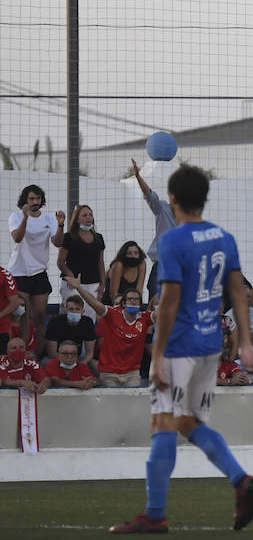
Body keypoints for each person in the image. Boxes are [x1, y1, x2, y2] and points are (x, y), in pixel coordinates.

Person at [109, 164, 253, 536]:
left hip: (179, 345)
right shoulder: (224, 238)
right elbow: (239, 293)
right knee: (189, 421)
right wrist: (244, 342)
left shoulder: (173, 241)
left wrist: (158, 355)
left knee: (162, 420)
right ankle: (241, 480)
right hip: (211, 343)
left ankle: (156, 514)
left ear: (173, 199)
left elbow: (170, 302)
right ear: (204, 198)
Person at [63, 278, 153, 387]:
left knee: (133, 404)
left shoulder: (145, 318)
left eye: (137, 299)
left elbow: (163, 311)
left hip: (132, 374)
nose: (133, 301)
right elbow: (93, 302)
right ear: (123, 303)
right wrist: (79, 288)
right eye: (130, 299)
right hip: (109, 373)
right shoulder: (113, 314)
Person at [8, 184, 64, 342]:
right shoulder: (16, 217)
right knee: (23, 316)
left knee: (39, 315)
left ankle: (39, 353)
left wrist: (60, 225)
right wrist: (25, 217)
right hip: (19, 272)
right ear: (25, 200)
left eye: (37, 198)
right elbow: (17, 238)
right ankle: (22, 350)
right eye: (31, 198)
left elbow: (58, 242)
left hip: (39, 272)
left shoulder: (48, 219)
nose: (35, 201)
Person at [130, 158, 178, 295]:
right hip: (161, 265)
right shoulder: (162, 208)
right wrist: (138, 177)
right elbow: (149, 195)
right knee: (155, 302)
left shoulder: (189, 219)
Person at [57, 204, 105, 317]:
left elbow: (100, 262)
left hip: (92, 283)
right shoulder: (69, 237)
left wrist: (102, 283)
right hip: (73, 284)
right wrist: (71, 276)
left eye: (90, 215)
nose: (88, 217)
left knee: (89, 316)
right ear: (77, 219)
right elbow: (60, 261)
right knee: (71, 314)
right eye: (84, 215)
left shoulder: (99, 238)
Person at [44, 295, 97, 369]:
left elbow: (90, 352)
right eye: (71, 309)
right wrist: (69, 364)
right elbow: (51, 353)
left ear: (83, 311)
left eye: (77, 309)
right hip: (57, 358)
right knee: (45, 363)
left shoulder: (87, 322)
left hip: (79, 356)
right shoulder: (55, 322)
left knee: (95, 365)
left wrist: (82, 364)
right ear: (66, 310)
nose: (74, 312)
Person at [106, 241, 147, 306]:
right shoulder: (119, 265)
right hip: (113, 303)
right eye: (129, 253)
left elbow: (139, 289)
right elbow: (113, 293)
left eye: (136, 253)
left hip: (130, 303)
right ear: (124, 255)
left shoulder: (141, 264)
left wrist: (136, 305)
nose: (133, 256)